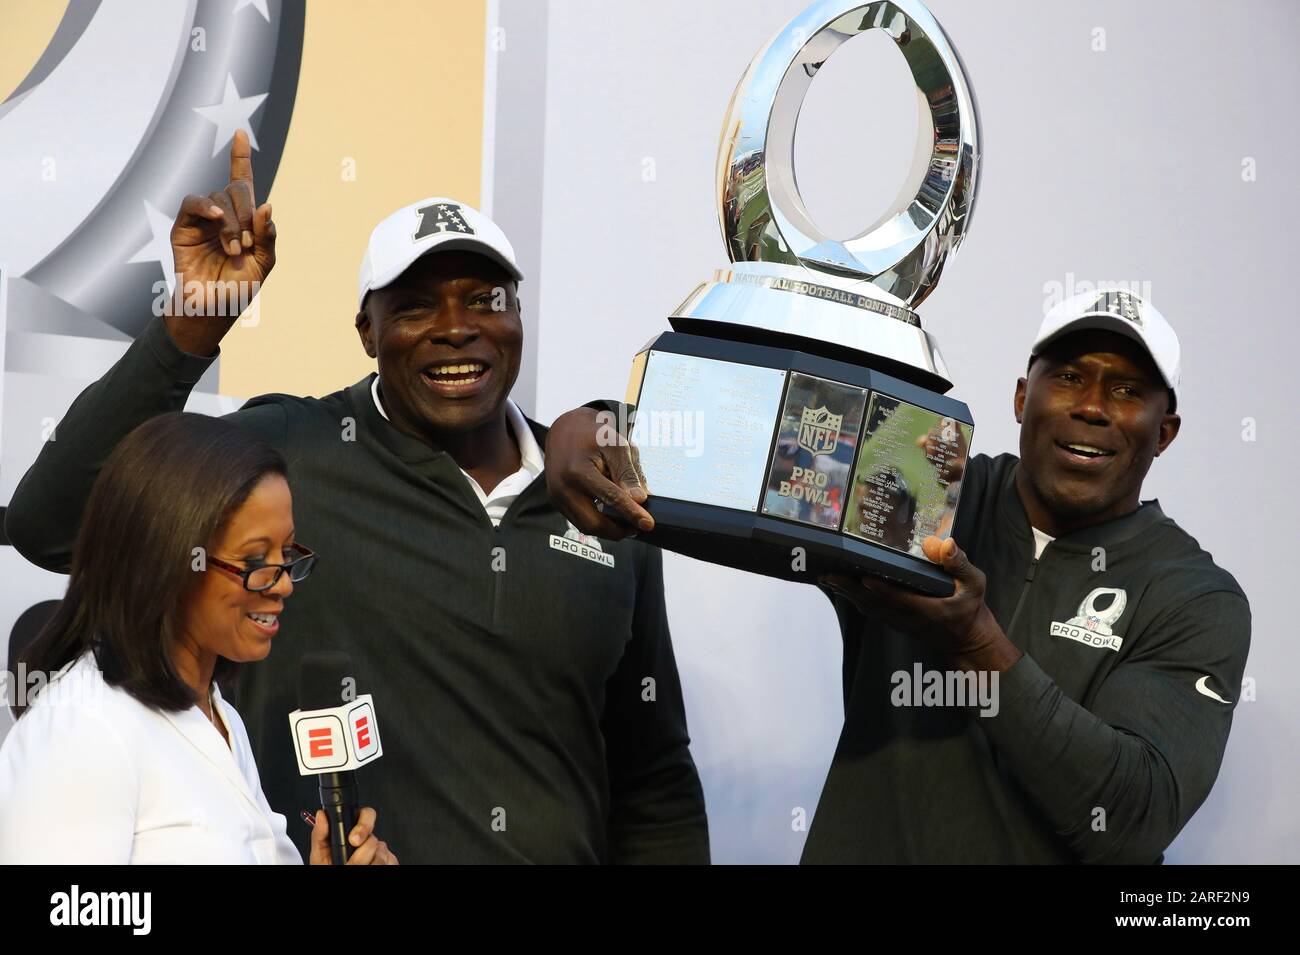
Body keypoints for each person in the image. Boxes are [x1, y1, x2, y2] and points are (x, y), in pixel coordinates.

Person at [4, 131, 708, 864]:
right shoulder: (289, 455)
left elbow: (652, 782)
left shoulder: (595, 492)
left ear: (519, 319)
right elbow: (50, 525)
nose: (456, 327)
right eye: (413, 308)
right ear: (366, 333)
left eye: (484, 300)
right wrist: (191, 327)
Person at [545, 288, 1250, 863]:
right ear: (1020, 397)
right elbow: (753, 465)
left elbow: (1128, 818)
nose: (1092, 405)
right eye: (1068, 376)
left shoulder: (1192, 594)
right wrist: (601, 425)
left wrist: (977, 644)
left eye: (1127, 389)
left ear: (1165, 430)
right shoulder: (922, 489)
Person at [0, 413, 395, 864]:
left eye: (286, 555)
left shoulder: (219, 715)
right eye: (253, 561)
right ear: (167, 559)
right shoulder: (83, 727)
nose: (283, 583)